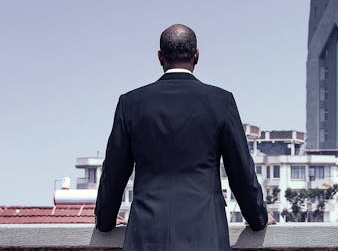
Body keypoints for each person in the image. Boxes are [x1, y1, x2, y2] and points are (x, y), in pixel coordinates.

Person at [95, 24, 270, 251]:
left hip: (146, 235)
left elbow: (114, 172)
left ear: (160, 57)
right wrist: (258, 218)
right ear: (197, 55)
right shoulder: (220, 101)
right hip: (205, 235)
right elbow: (240, 170)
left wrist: (105, 220)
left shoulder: (131, 103)